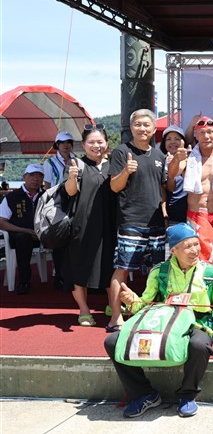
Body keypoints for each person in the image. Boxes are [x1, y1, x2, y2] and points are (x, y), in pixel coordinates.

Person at [104, 223, 213, 418]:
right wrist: (132, 301)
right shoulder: (159, 272)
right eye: (188, 246)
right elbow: (144, 305)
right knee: (112, 342)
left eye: (196, 244)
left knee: (199, 344)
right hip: (164, 323)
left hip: (197, 323)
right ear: (174, 250)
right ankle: (143, 394)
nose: (195, 250)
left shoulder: (210, 273)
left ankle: (187, 395)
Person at [109, 109, 167, 331]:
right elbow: (115, 186)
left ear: (153, 129)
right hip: (131, 221)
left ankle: (154, 316)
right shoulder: (122, 152)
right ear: (131, 127)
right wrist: (126, 171)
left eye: (146, 125)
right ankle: (115, 317)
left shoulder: (160, 156)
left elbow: (163, 190)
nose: (142, 129)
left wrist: (164, 215)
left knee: (157, 271)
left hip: (156, 224)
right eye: (138, 125)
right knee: (122, 268)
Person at [63, 126, 118, 326]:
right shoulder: (76, 164)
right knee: (81, 268)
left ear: (106, 144)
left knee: (110, 267)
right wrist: (71, 176)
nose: (96, 145)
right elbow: (70, 193)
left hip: (110, 224)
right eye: (91, 142)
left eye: (100, 142)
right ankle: (84, 310)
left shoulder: (113, 164)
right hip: (82, 225)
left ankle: (114, 305)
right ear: (84, 145)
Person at [168, 117, 213, 268]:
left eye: (210, 132)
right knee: (195, 263)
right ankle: (198, 292)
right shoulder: (187, 158)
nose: (206, 136)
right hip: (195, 215)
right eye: (202, 133)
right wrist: (176, 160)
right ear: (196, 134)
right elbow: (173, 175)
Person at [0, 164, 44, 295]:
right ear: (24, 177)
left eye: (39, 176)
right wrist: (26, 231)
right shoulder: (12, 197)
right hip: (19, 236)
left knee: (63, 235)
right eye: (32, 175)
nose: (35, 179)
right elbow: (1, 222)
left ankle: (62, 278)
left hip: (43, 234)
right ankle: (24, 281)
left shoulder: (48, 196)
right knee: (23, 239)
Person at [43, 130, 77, 290]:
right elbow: (47, 187)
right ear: (57, 145)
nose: (66, 145)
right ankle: (60, 275)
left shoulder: (77, 160)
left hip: (76, 202)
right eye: (62, 142)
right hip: (58, 203)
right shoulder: (49, 163)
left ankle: (74, 275)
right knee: (59, 240)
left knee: (75, 240)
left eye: (68, 142)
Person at [159, 126, 188, 225]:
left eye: (177, 139)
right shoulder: (160, 162)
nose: (172, 142)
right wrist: (164, 215)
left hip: (191, 215)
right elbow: (165, 189)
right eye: (168, 139)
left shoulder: (192, 160)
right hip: (171, 217)